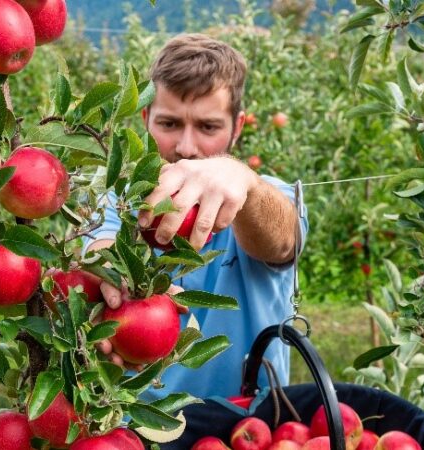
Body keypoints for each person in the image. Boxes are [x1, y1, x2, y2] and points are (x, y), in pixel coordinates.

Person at [84, 33, 309, 401]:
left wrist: (241, 179)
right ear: (145, 119)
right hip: (139, 430)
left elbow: (284, 240)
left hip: (248, 426)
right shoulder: (119, 201)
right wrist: (122, 283)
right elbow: (100, 247)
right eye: (169, 124)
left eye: (208, 127)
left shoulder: (266, 196)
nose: (186, 148)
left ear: (236, 127)